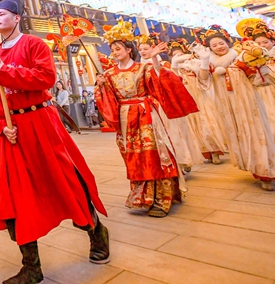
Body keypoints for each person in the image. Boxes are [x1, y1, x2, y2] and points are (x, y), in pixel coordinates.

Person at [0, 0, 108, 284]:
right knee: (15, 194)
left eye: (3, 13)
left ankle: (97, 233)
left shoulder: (34, 45)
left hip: (40, 122)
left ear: (17, 18)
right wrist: (2, 125)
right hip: (13, 132)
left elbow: (46, 77)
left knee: (66, 181)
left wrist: (9, 73)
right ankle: (31, 266)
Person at [95, 20, 197, 218]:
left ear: (128, 49)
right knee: (133, 157)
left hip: (146, 115)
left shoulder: (143, 68)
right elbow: (107, 100)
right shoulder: (108, 74)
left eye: (118, 48)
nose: (115, 52)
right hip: (125, 119)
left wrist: (155, 59)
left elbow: (160, 81)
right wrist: (101, 87)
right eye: (112, 50)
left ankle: (163, 198)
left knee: (155, 154)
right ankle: (142, 196)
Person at [194, 25, 275, 190]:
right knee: (239, 134)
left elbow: (258, 79)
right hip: (226, 106)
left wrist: (260, 67)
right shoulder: (210, 62)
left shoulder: (242, 57)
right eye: (214, 45)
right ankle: (253, 167)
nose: (219, 47)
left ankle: (266, 172)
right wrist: (204, 61)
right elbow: (203, 80)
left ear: (228, 42)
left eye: (221, 43)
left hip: (248, 103)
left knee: (257, 133)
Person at [137, 35, 204, 173]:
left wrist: (154, 59)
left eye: (146, 48)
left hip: (165, 104)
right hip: (150, 106)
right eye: (140, 49)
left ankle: (182, 160)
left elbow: (161, 76)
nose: (143, 51)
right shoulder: (138, 68)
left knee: (173, 133)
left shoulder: (164, 64)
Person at [237, 20, 275, 171]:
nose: (262, 45)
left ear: (272, 41)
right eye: (258, 43)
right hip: (264, 97)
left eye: (265, 42)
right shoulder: (251, 60)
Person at [167, 38, 226, 165]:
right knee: (193, 127)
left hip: (199, 96)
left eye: (180, 54)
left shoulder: (194, 63)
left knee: (207, 124)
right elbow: (171, 83)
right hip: (184, 99)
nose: (179, 57)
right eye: (175, 55)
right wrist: (174, 66)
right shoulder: (171, 68)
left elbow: (204, 78)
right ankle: (203, 153)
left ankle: (214, 151)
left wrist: (202, 63)